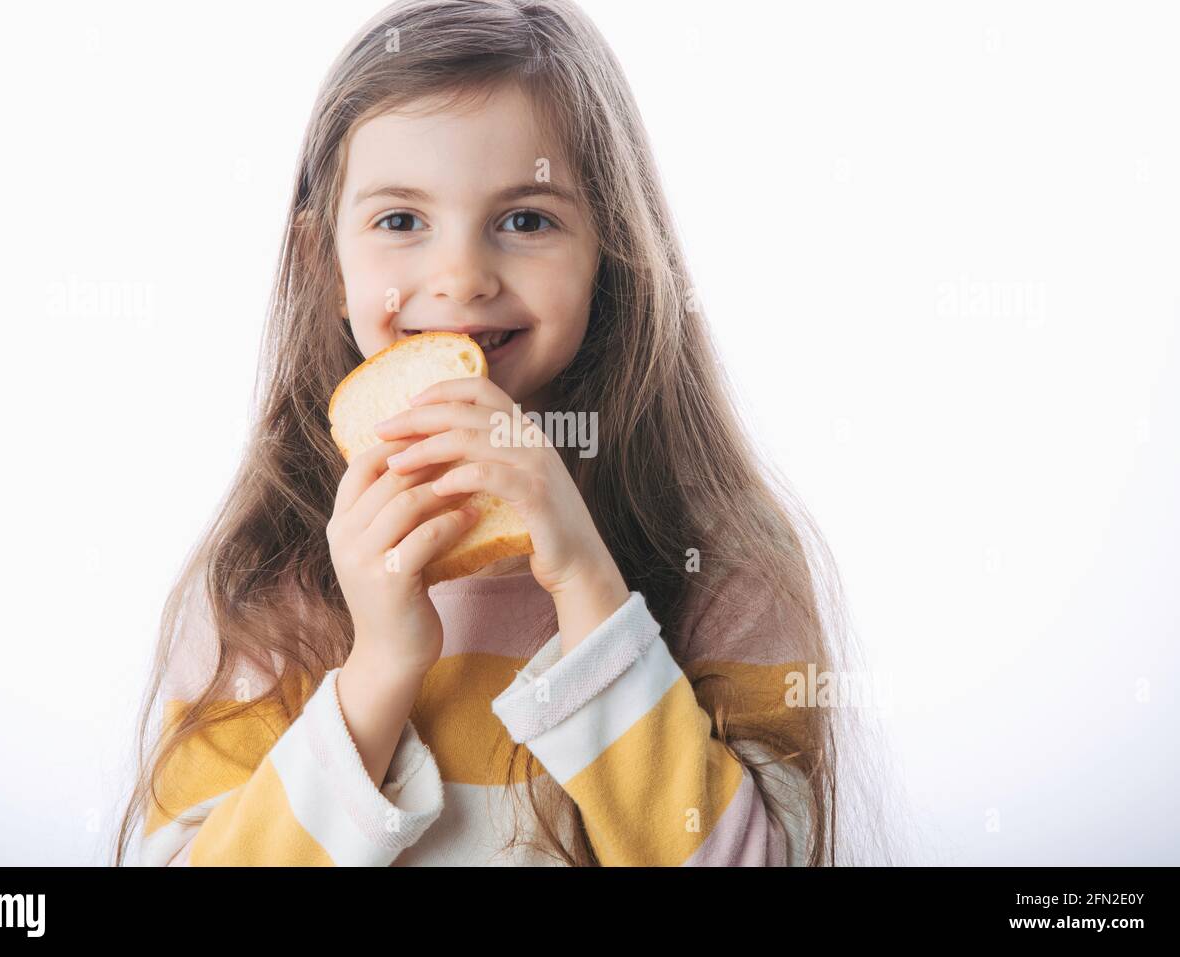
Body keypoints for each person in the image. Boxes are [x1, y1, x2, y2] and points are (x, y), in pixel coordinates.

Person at [115, 0, 902, 867]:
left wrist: (586, 585)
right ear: (323, 263)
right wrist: (377, 673)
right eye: (401, 220)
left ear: (611, 248)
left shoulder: (725, 559)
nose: (459, 279)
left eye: (526, 219)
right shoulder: (262, 583)